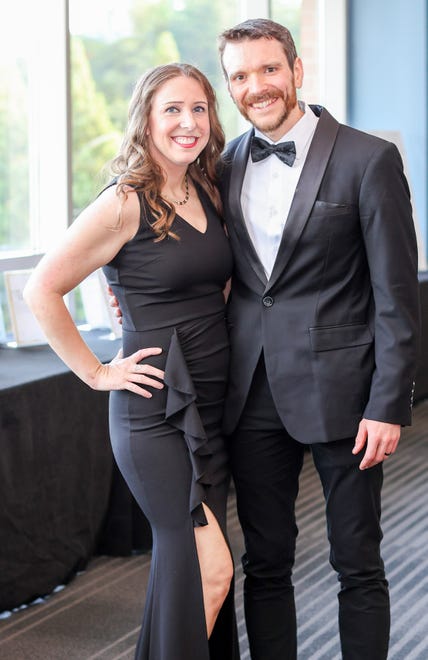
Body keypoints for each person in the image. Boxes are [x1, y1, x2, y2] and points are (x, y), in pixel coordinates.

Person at [215, 18, 420, 660]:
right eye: (241, 76)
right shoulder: (220, 165)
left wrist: (388, 402)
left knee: (356, 560)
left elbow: (396, 294)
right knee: (266, 562)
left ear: (297, 70)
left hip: (345, 394)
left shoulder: (368, 157)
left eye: (269, 69)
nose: (257, 86)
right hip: (250, 393)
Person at [24, 63, 239, 660]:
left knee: (184, 579)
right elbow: (41, 289)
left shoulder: (207, 188)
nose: (188, 122)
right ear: (146, 117)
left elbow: (214, 289)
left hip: (211, 410)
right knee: (210, 572)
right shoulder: (124, 201)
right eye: (172, 109)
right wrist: (98, 372)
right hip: (157, 416)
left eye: (199, 108)